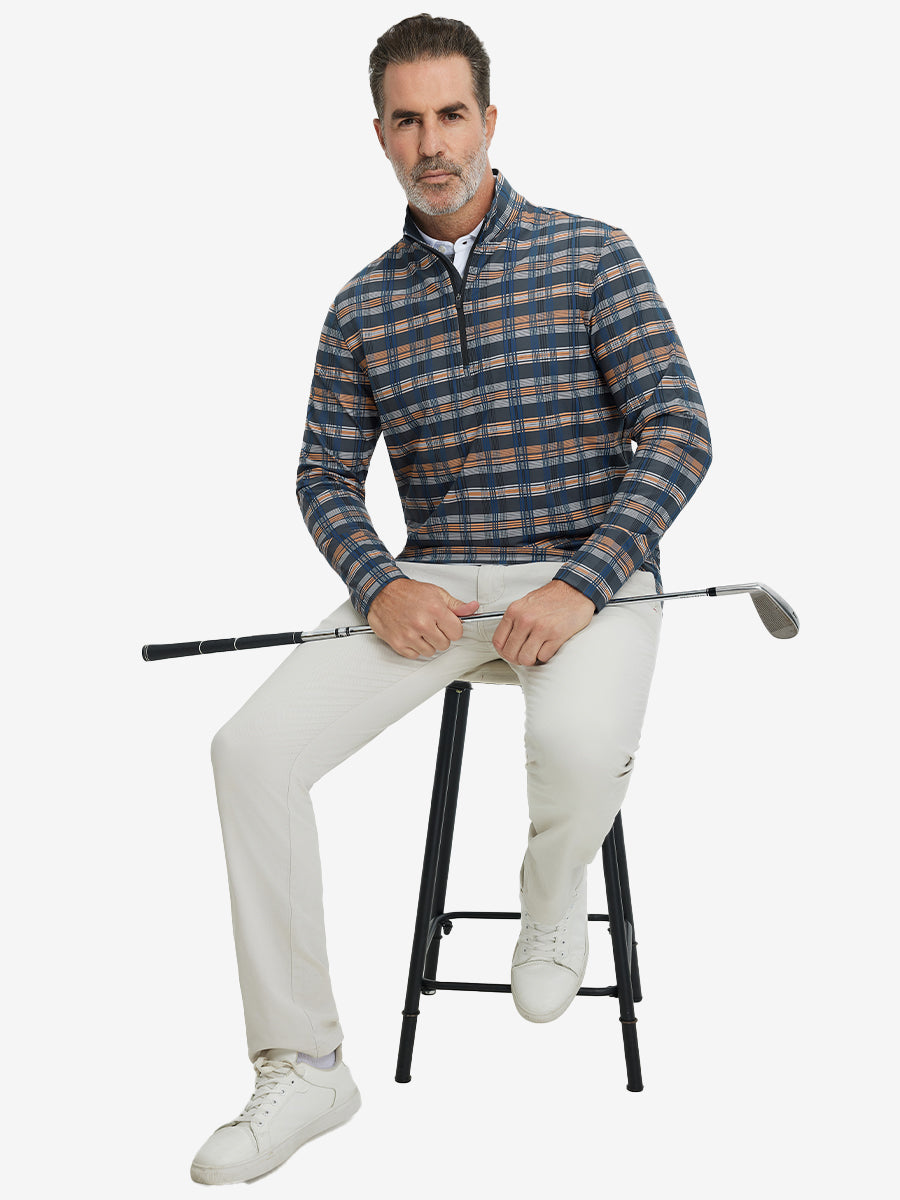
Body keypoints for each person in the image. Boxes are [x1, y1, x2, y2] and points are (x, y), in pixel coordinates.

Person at [190, 12, 711, 1186]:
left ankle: (551, 894)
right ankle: (306, 1065)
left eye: (452, 115)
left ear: (490, 120)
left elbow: (679, 430)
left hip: (591, 576)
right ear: (380, 134)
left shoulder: (594, 254)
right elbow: (324, 475)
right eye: (408, 120)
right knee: (247, 754)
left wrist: (582, 585)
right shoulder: (361, 305)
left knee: (575, 749)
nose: (433, 143)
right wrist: (379, 584)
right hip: (432, 588)